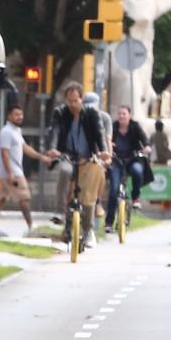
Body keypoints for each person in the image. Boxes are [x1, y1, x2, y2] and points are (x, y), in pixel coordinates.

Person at [47, 84, 109, 247]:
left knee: (88, 194)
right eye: (69, 101)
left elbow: (100, 133)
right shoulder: (60, 113)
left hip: (88, 157)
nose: (72, 104)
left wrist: (104, 151)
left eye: (75, 100)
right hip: (67, 155)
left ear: (82, 99)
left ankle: (89, 231)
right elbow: (55, 131)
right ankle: (60, 212)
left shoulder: (91, 114)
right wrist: (53, 148)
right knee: (64, 171)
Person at [0, 104, 53, 238]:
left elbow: (25, 148)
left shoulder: (16, 131)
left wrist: (42, 157)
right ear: (9, 116)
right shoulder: (7, 132)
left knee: (0, 199)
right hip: (12, 172)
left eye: (21, 114)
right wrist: (11, 173)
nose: (20, 117)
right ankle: (31, 227)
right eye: (16, 114)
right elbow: (4, 153)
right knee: (24, 198)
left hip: (9, 171)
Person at [104, 105, 149, 229]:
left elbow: (144, 139)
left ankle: (135, 198)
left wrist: (146, 147)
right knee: (113, 190)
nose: (121, 116)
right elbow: (105, 140)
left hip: (132, 159)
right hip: (116, 161)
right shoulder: (112, 127)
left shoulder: (135, 127)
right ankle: (109, 222)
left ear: (130, 116)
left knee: (137, 171)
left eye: (124, 114)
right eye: (119, 114)